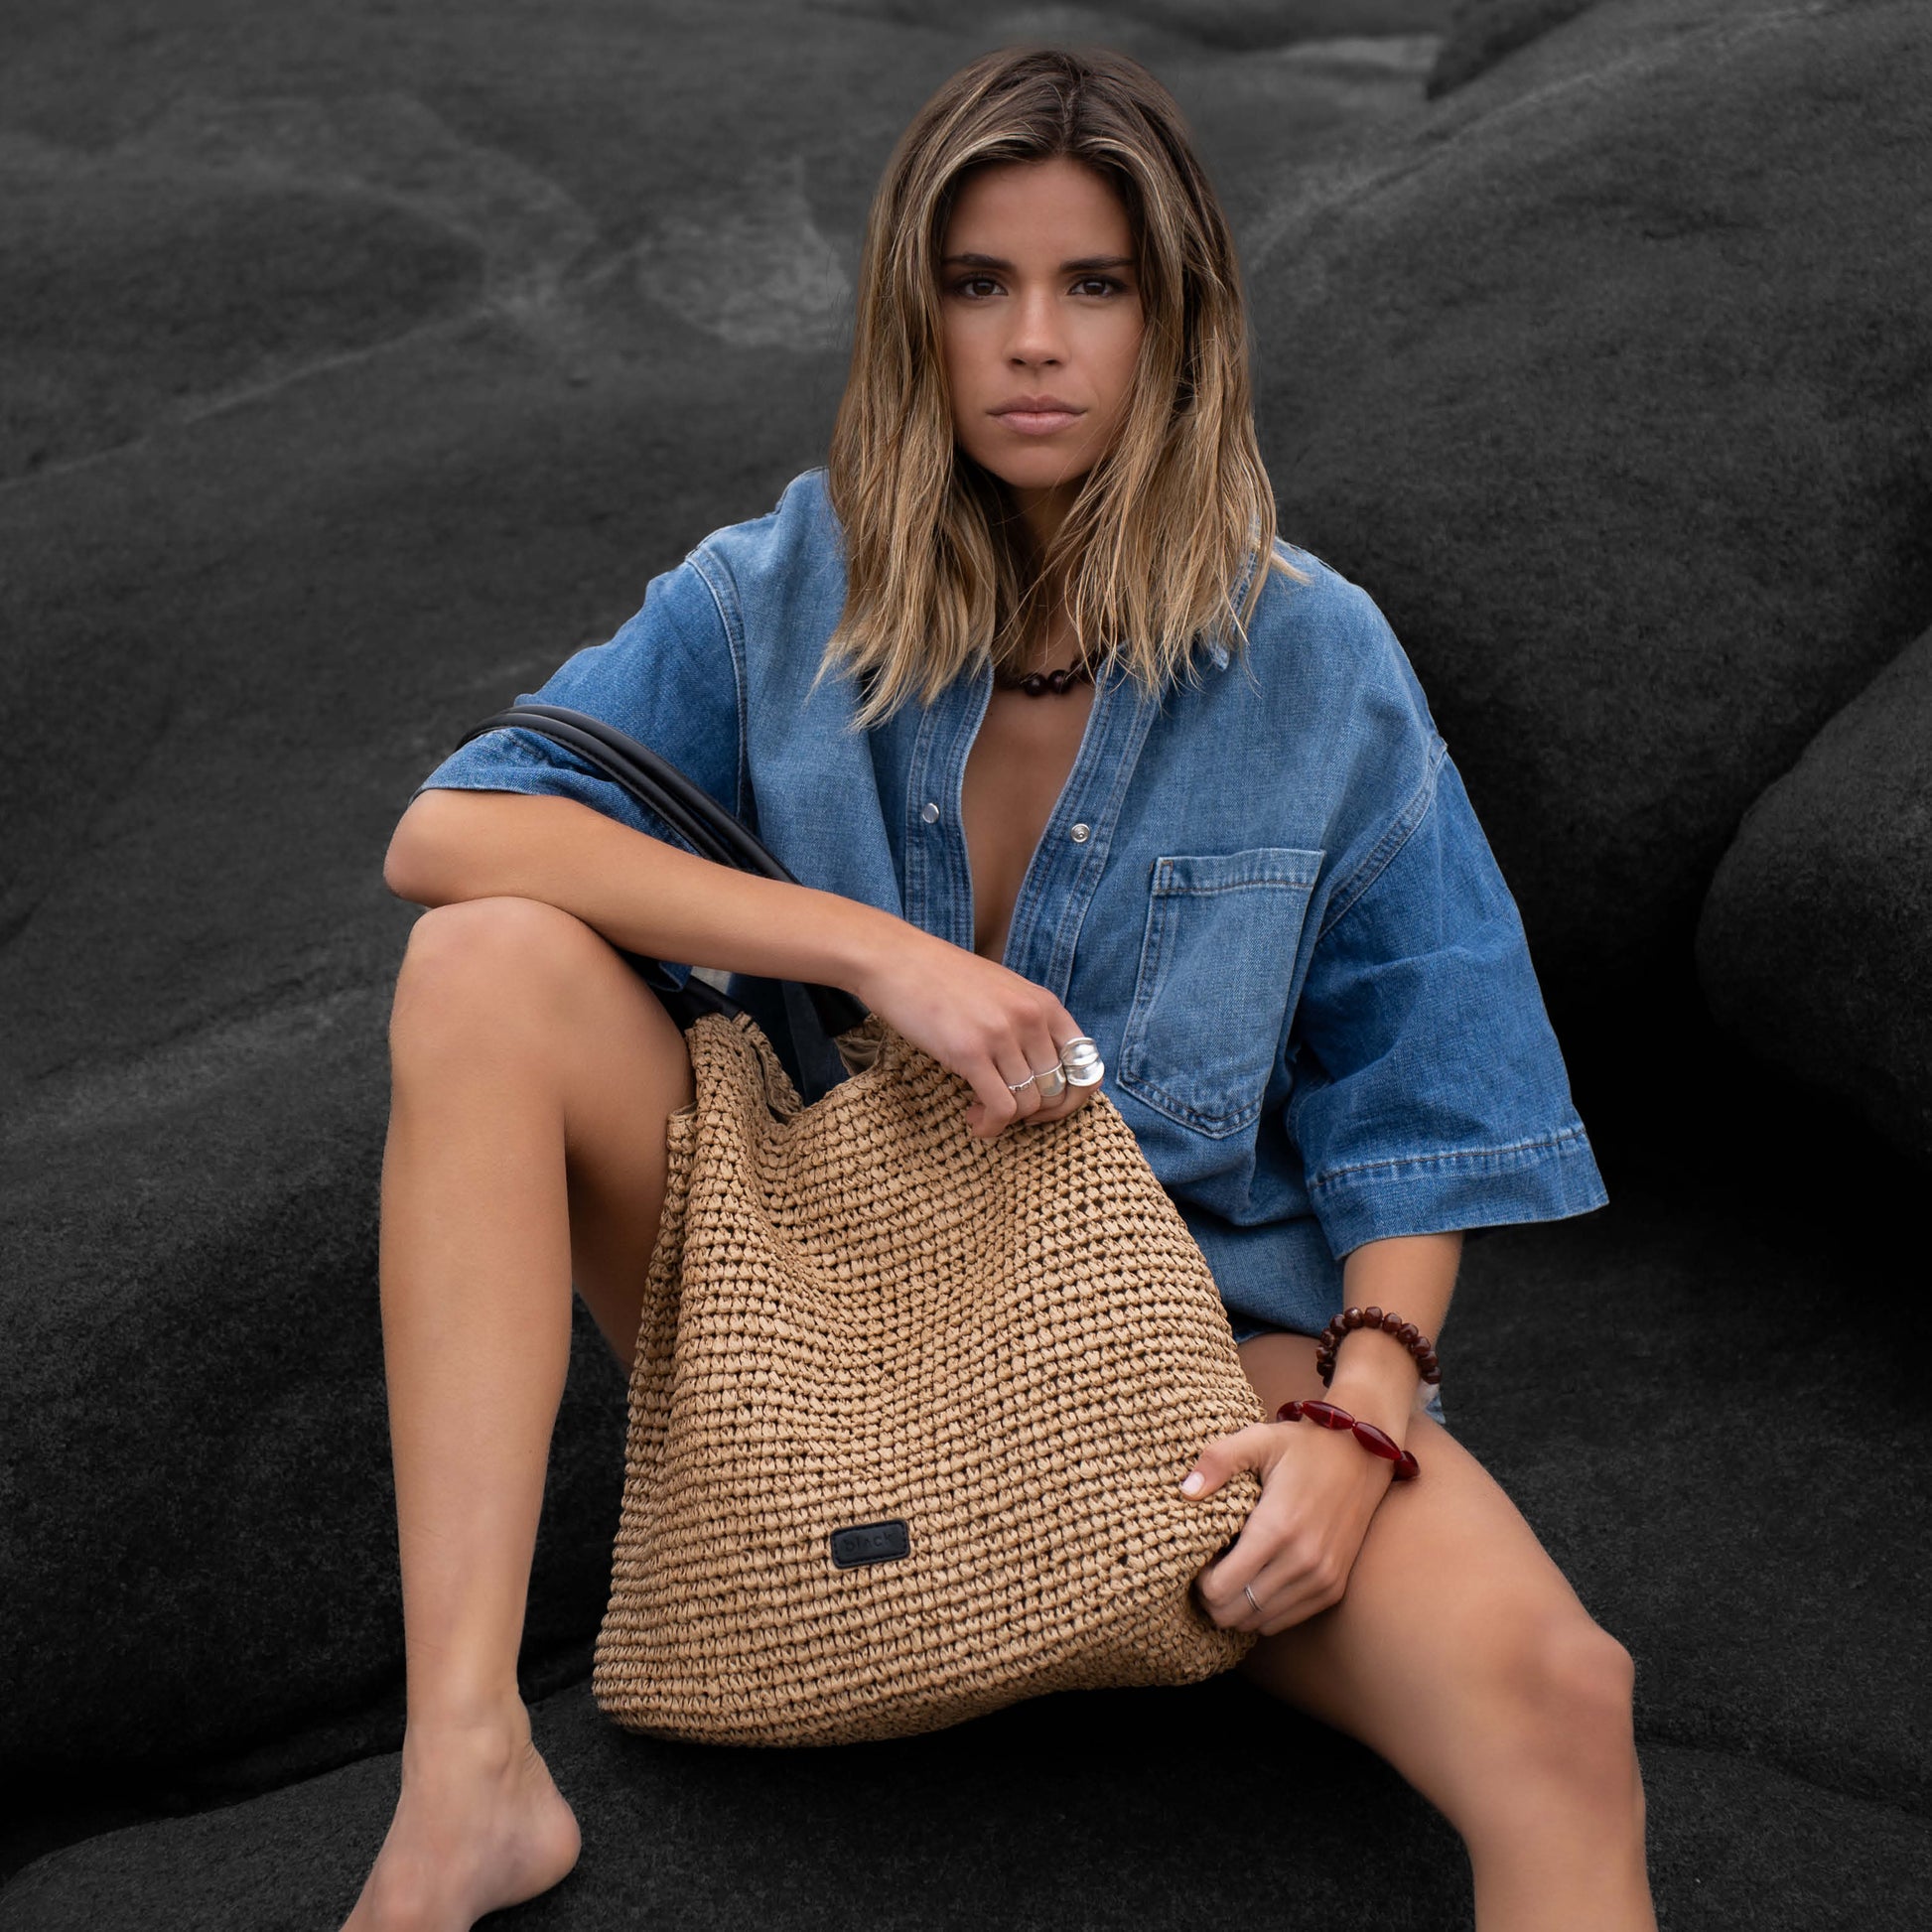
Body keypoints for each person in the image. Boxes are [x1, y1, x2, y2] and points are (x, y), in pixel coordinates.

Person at [346, 43, 1657, 1932]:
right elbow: (451, 829)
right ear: (916, 315)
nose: (1032, 342)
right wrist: (879, 951)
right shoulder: (779, 587)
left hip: (1176, 1341)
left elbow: (1423, 1103)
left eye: (1092, 284)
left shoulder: (1315, 657)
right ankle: (466, 1766)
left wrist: (1361, 1420)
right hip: (822, 1302)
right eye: (979, 284)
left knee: (1563, 1703)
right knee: (481, 959)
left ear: (1174, 321)